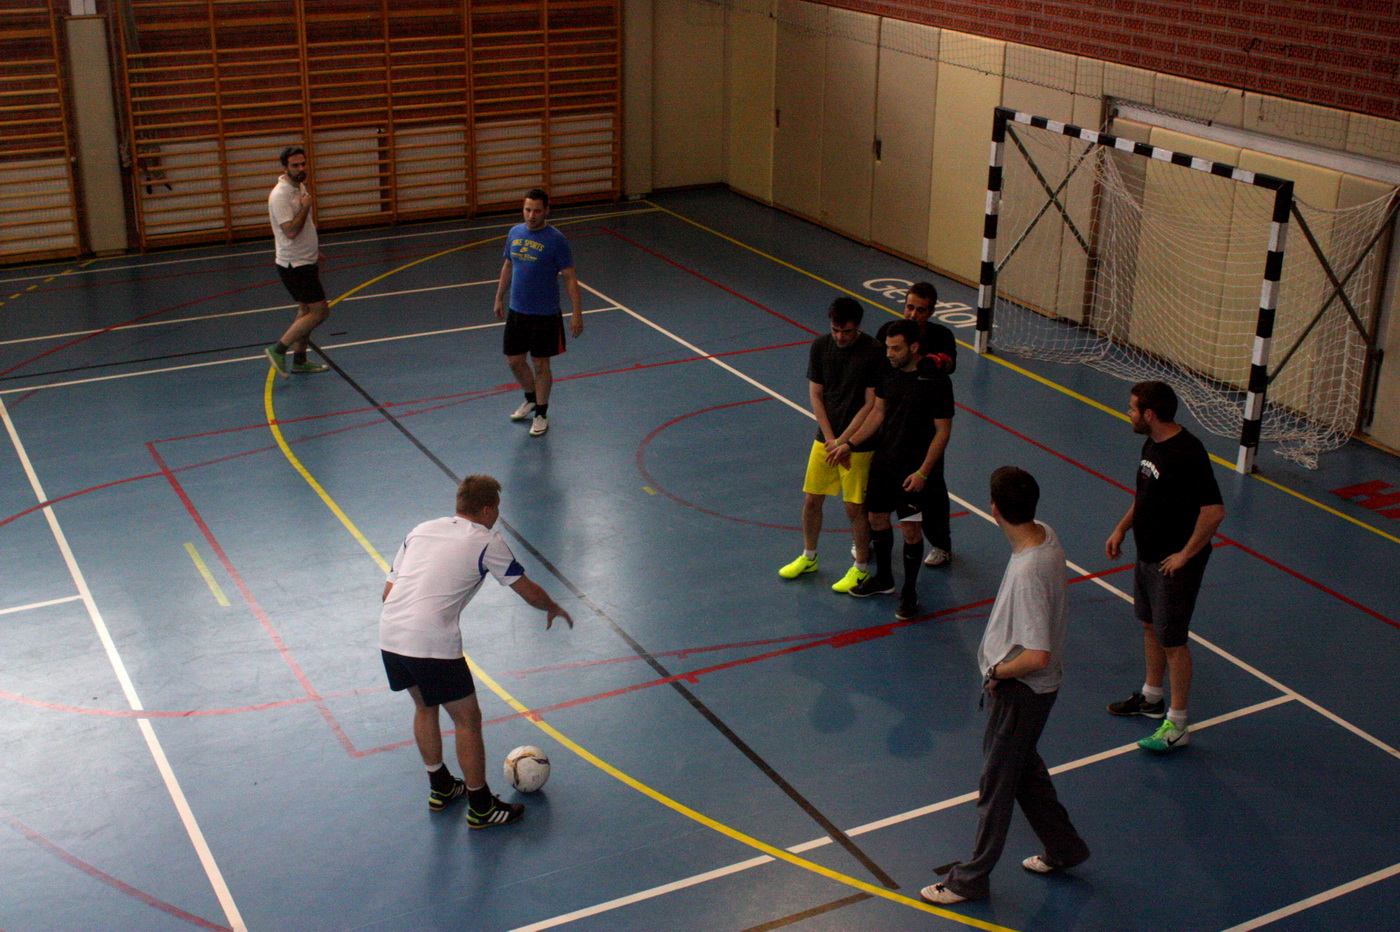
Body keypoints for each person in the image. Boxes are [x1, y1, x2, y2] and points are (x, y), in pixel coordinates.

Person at [921, 466, 1090, 905]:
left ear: (994, 509)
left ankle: (971, 879)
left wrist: (997, 673)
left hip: (1022, 692)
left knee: (996, 786)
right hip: (1031, 692)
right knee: (1024, 772)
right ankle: (1065, 848)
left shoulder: (1029, 572)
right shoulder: (1044, 535)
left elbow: (1037, 655)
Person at [379, 475, 574, 828]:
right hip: (431, 644)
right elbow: (528, 591)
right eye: (496, 508)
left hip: (390, 635)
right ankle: (482, 807)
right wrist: (552, 607)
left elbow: (387, 593)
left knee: (424, 707)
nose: (497, 515)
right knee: (467, 720)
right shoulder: (486, 541)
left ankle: (441, 788)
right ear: (486, 510)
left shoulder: (420, 530)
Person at [1105, 381, 1224, 752]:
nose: (1128, 413)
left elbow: (1213, 511)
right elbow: (1145, 496)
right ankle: (1152, 697)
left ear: (1149, 414)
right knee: (1149, 626)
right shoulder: (1151, 444)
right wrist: (1122, 528)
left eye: (1132, 408)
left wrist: (1186, 554)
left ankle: (1178, 724)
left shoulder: (1188, 453)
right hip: (1147, 555)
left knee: (1173, 642)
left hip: (1173, 566)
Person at [838, 319, 954, 620]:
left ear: (914, 347)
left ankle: (909, 592)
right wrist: (850, 443)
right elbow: (878, 412)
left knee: (911, 529)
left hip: (913, 470)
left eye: (896, 348)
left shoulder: (936, 381)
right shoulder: (887, 371)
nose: (889, 353)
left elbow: (942, 431)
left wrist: (923, 473)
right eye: (888, 347)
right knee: (876, 518)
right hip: (884, 462)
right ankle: (884, 579)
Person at [778, 297, 885, 592]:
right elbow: (816, 394)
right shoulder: (820, 346)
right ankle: (809, 556)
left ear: (857, 327)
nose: (840, 336)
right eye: (835, 329)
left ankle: (860, 568)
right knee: (812, 499)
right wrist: (829, 439)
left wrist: (844, 441)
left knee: (854, 507)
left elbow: (870, 404)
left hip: (858, 444)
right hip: (826, 439)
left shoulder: (873, 351)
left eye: (846, 331)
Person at [875, 281, 957, 566]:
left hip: (926, 430)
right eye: (909, 307)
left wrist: (935, 362)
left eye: (921, 310)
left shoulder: (942, 336)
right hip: (894, 423)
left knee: (932, 489)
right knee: (878, 486)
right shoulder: (889, 331)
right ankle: (873, 535)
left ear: (930, 312)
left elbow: (949, 365)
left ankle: (941, 544)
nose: (913, 314)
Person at [493, 187, 583, 437]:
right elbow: (508, 265)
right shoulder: (515, 232)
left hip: (545, 315)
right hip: (517, 311)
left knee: (541, 364)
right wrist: (499, 297)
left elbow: (570, 277)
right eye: (527, 210)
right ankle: (531, 398)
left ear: (546, 211)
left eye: (536, 211)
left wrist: (577, 313)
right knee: (514, 360)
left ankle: (541, 413)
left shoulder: (556, 240)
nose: (531, 216)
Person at [264, 146, 330, 377]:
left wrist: (314, 250)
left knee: (305, 310)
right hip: (295, 265)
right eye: (295, 165)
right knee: (320, 312)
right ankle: (278, 349)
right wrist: (305, 208)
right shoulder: (280, 196)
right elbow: (290, 231)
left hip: (306, 259)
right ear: (285, 168)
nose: (301, 168)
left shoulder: (298, 187)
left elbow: (306, 227)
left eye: (303, 164)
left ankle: (299, 360)